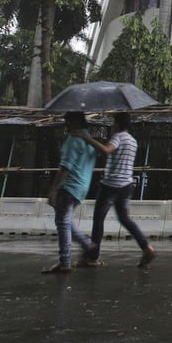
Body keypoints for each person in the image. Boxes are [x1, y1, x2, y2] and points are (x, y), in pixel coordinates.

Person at [76, 112, 156, 269]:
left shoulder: (118, 137)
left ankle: (93, 257)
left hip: (111, 185)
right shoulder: (133, 141)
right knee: (124, 218)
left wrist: (87, 138)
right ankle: (146, 247)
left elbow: (107, 150)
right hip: (126, 186)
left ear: (117, 125)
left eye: (113, 123)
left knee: (98, 219)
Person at [43, 112, 98, 274]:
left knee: (62, 223)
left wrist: (53, 189)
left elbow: (65, 168)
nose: (65, 124)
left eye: (67, 121)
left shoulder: (74, 140)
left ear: (75, 122)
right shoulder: (90, 141)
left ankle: (65, 261)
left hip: (69, 187)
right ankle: (87, 244)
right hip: (82, 187)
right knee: (65, 220)